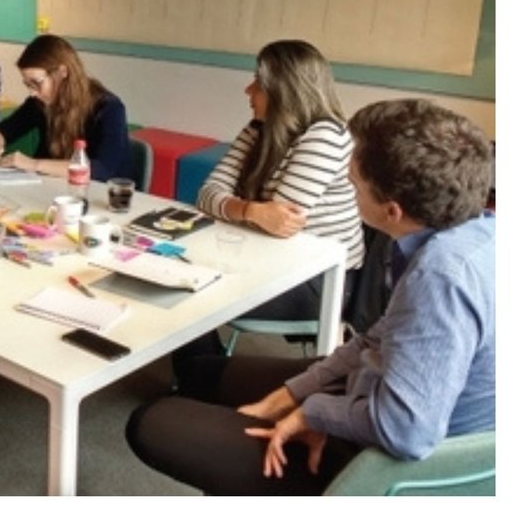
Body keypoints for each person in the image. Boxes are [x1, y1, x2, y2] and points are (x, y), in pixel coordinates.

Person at [126, 99, 495, 495]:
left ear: (392, 211)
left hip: (385, 467)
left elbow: (405, 431)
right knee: (203, 373)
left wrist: (315, 414)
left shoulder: (439, 275)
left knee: (153, 421)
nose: (349, 190)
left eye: (353, 183)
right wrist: (295, 392)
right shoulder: (474, 232)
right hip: (374, 390)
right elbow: (379, 337)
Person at [176, 40, 364, 364]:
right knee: (174, 276)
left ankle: (205, 379)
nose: (248, 91)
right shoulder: (258, 130)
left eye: (259, 84)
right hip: (264, 260)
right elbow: (207, 194)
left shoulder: (327, 136)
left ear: (285, 91)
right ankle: (207, 373)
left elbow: (279, 224)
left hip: (319, 282)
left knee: (187, 293)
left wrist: (241, 210)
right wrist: (250, 210)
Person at [0, 34, 130, 181]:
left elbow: (102, 169)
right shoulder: (40, 102)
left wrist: (33, 164)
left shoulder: (109, 108)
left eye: (37, 83)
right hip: (51, 189)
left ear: (63, 72)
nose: (32, 92)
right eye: (28, 84)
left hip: (95, 196)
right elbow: (5, 130)